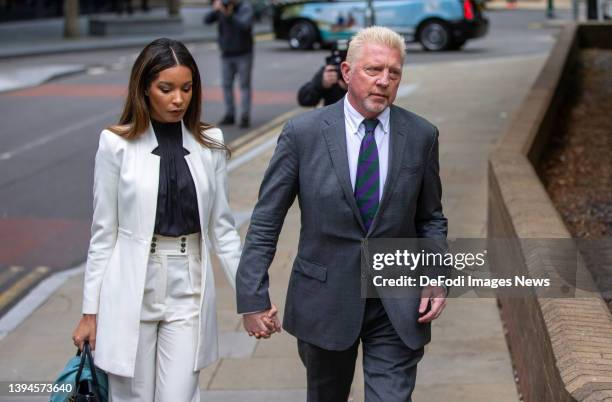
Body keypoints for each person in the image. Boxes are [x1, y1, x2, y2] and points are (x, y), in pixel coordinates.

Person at [236, 26, 449, 401]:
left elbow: (430, 216)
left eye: (394, 73)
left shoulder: (420, 136)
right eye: (373, 70)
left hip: (396, 300)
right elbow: (267, 218)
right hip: (325, 298)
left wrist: (435, 273)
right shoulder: (303, 134)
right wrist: (252, 296)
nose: (384, 81)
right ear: (348, 73)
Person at [71, 38, 279, 402]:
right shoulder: (115, 144)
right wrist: (91, 312)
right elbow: (103, 234)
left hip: (189, 285)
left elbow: (223, 231)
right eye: (166, 89)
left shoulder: (209, 142)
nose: (178, 99)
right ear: (144, 88)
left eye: (186, 88)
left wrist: (253, 299)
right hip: (131, 285)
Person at [204, 0, 254, 128]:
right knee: (226, 85)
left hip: (243, 54)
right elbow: (206, 20)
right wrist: (216, 10)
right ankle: (230, 114)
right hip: (226, 54)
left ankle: (244, 116)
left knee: (244, 85)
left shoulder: (245, 7)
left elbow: (245, 25)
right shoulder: (222, 7)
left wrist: (229, 15)